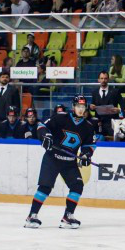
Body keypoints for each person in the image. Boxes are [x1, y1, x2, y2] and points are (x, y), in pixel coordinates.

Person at [24, 95, 98, 230]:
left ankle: (68, 216)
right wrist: (45, 136)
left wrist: (87, 154)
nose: (81, 110)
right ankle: (32, 216)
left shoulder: (88, 126)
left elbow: (90, 144)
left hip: (69, 162)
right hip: (52, 158)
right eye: (78, 107)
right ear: (73, 106)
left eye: (83, 107)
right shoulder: (60, 117)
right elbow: (41, 126)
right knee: (45, 187)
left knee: (77, 186)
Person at [91, 70, 122, 138]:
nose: (103, 80)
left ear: (108, 80)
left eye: (105, 78)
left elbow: (124, 105)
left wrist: (119, 110)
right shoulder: (94, 92)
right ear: (98, 80)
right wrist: (91, 107)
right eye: (101, 78)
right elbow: (93, 108)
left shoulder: (115, 92)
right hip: (99, 123)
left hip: (112, 123)